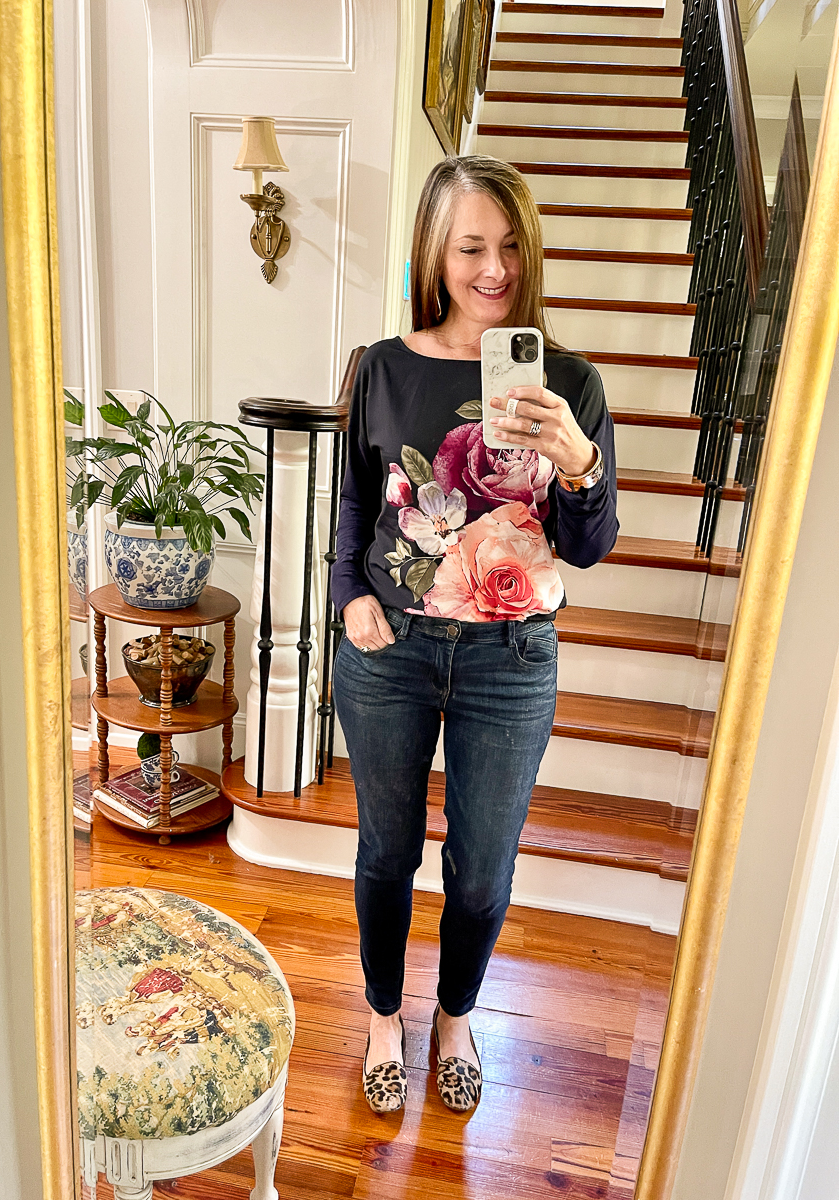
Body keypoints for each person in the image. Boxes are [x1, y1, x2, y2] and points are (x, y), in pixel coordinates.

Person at [330, 155, 619, 1114]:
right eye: (470, 248)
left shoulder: (571, 381)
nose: (492, 269)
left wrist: (577, 461)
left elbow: (588, 547)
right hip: (390, 652)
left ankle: (455, 1017)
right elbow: (354, 504)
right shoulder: (380, 366)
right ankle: (382, 1016)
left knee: (484, 868)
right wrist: (348, 598)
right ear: (434, 252)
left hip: (512, 658)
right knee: (385, 852)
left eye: (508, 248)